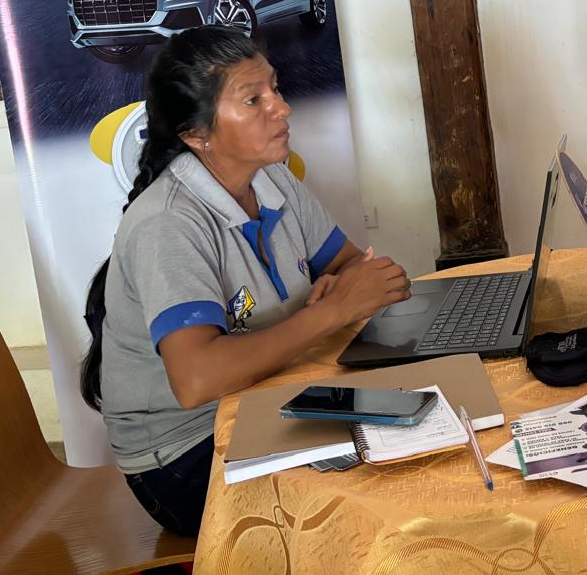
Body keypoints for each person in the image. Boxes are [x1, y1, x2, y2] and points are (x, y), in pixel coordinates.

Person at [80, 26, 411, 536]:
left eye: (274, 89)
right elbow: (197, 380)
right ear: (196, 133)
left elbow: (351, 267)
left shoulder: (272, 179)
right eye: (253, 100)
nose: (282, 108)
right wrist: (329, 312)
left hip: (265, 398)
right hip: (184, 454)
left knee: (412, 426)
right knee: (374, 486)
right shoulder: (168, 223)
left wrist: (343, 287)